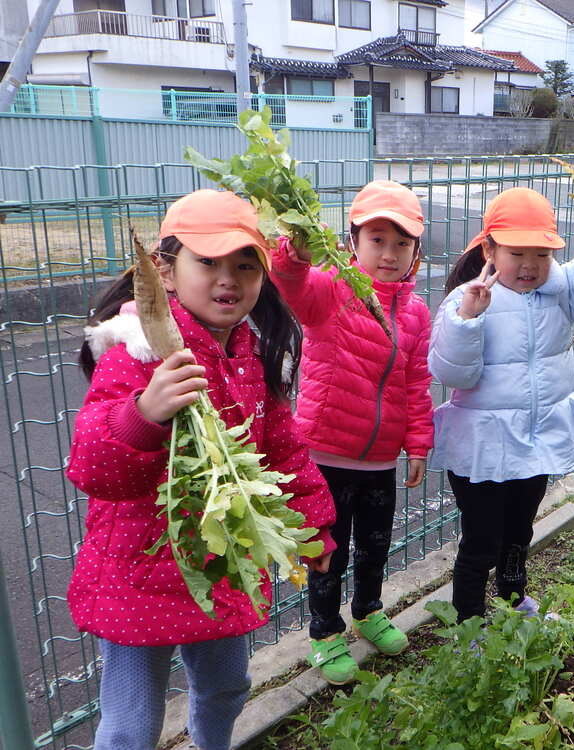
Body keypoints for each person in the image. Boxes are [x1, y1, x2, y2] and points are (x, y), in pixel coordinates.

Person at [66, 189, 335, 750]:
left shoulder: (249, 352)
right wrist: (145, 414)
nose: (228, 279)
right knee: (130, 728)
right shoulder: (138, 352)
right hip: (140, 572)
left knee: (227, 689)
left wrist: (313, 528)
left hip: (221, 564)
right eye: (207, 262)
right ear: (165, 270)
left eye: (244, 265)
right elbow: (93, 467)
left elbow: (283, 451)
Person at [429, 187, 574, 624]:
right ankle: (469, 620)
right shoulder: (465, 299)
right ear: (489, 249)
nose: (529, 266)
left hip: (535, 437)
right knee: (481, 539)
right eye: (516, 252)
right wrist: (469, 319)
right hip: (483, 446)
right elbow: (452, 374)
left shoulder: (563, 288)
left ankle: (513, 599)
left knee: (519, 530)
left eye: (541, 254)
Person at [269, 179, 434, 685]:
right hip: (326, 456)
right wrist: (293, 255)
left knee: (375, 547)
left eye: (401, 244)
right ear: (352, 242)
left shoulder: (416, 313)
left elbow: (416, 380)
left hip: (381, 460)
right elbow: (290, 283)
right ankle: (324, 632)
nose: (389, 254)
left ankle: (368, 610)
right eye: (377, 240)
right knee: (326, 552)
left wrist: (418, 442)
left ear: (415, 253)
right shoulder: (332, 289)